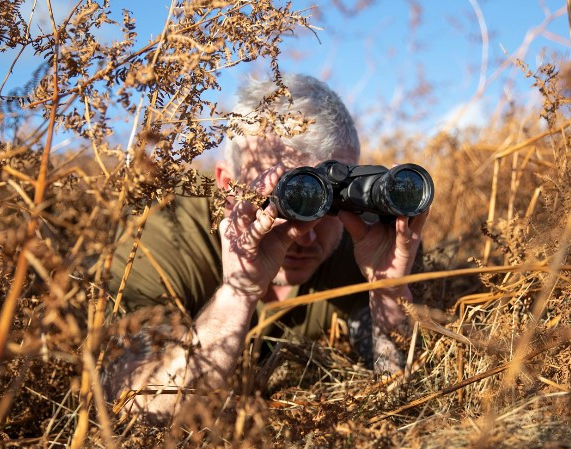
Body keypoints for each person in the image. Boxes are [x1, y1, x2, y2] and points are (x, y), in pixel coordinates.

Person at [103, 74, 429, 420]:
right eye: (288, 202)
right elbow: (140, 407)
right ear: (228, 185)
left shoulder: (372, 242)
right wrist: (237, 293)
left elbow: (404, 392)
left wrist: (389, 292)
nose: (305, 236)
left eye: (329, 204)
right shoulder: (163, 242)